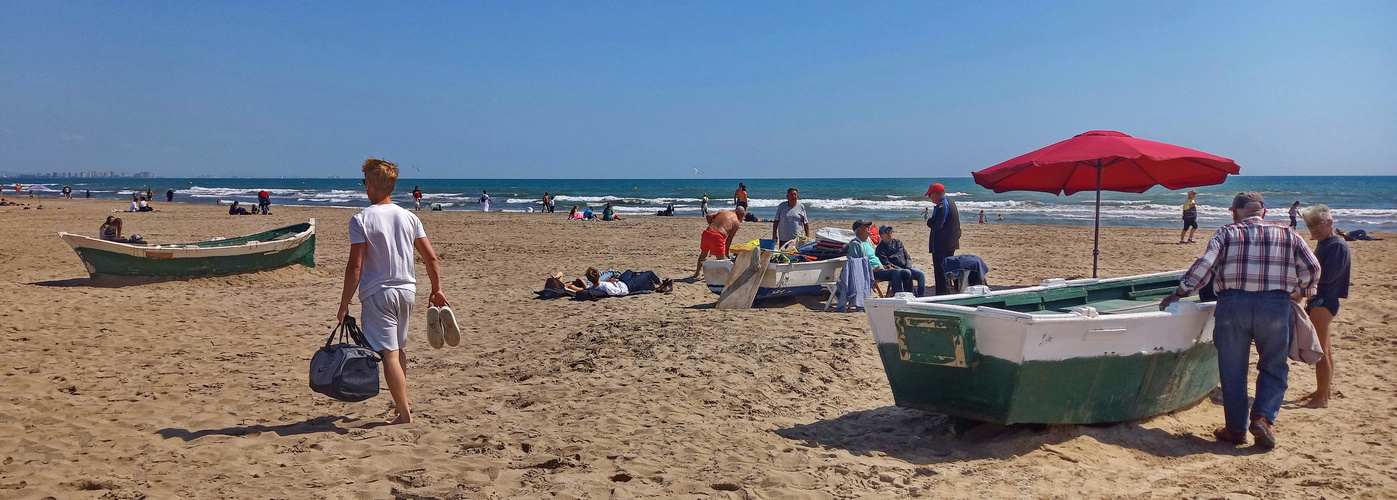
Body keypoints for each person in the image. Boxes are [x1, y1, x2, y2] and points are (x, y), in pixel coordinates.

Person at [1159, 191, 1320, 448]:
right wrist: (1303, 293)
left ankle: (1236, 430)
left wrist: (1180, 291)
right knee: (1274, 366)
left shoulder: (1226, 233)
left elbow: (1204, 267)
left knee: (1233, 369)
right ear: (1264, 212)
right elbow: (1312, 268)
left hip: (1233, 306)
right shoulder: (1288, 233)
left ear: (1234, 213)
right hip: (1275, 306)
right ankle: (1263, 419)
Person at [336, 158, 451, 425]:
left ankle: (404, 413)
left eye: (365, 181)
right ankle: (401, 407)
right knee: (398, 349)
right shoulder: (410, 217)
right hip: (407, 291)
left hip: (379, 292)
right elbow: (431, 259)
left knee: (388, 353)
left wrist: (344, 304)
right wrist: (437, 289)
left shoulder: (361, 219)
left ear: (370, 185)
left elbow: (355, 267)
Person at [1300, 204, 1350, 409]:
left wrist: (1303, 287)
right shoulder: (1325, 243)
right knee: (1325, 349)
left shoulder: (1336, 245)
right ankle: (1324, 390)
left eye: (1317, 224)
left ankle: (1321, 398)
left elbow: (1327, 277)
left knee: (1320, 350)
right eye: (1310, 226)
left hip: (1324, 301)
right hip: (1319, 300)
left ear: (1329, 222)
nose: (1313, 229)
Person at [851, 221, 912, 295]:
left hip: (881, 269)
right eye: (866, 227)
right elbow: (857, 265)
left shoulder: (867, 242)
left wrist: (886, 266)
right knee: (895, 273)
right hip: (871, 272)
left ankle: (910, 297)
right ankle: (898, 298)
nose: (869, 228)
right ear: (859, 229)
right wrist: (873, 269)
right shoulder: (855, 244)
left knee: (906, 272)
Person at [924, 183, 961, 295]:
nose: (929, 197)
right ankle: (944, 293)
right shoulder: (949, 202)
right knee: (945, 271)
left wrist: (929, 221)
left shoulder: (943, 205)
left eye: (930, 195)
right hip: (947, 243)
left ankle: (942, 294)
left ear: (936, 194)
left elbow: (937, 223)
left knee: (941, 272)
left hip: (943, 244)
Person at [693, 206, 745, 279]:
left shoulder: (723, 211)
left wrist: (711, 225)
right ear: (741, 215)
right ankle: (721, 278)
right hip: (717, 236)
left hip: (707, 232)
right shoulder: (736, 222)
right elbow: (729, 240)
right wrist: (726, 253)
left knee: (703, 254)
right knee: (721, 260)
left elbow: (708, 216)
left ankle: (697, 273)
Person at [875, 225, 927, 296]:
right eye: (887, 232)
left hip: (906, 267)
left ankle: (921, 296)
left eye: (891, 231)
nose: (890, 233)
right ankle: (911, 295)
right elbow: (885, 262)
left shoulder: (898, 242)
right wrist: (900, 269)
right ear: (881, 235)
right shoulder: (880, 248)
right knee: (907, 273)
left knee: (921, 274)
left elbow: (907, 256)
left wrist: (908, 266)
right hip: (896, 269)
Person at [574, 269, 672, 300]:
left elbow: (587, 288)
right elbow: (619, 292)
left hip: (620, 282)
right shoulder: (604, 286)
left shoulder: (596, 286)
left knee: (629, 272)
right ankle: (661, 284)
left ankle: (643, 282)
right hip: (626, 286)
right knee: (649, 273)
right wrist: (616, 282)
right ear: (598, 276)